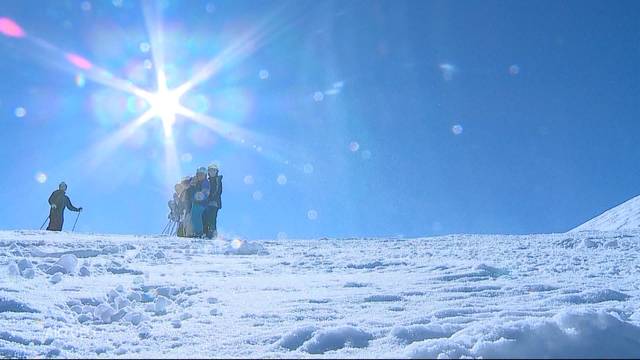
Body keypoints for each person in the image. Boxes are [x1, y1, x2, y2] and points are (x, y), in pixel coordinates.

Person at [203, 164, 223, 239]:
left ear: (216, 172)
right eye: (210, 170)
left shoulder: (217, 180)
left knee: (212, 218)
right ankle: (206, 233)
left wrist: (211, 198)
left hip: (214, 203)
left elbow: (218, 191)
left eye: (214, 170)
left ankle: (213, 234)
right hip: (207, 203)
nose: (212, 172)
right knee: (205, 217)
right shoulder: (208, 180)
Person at [189, 168, 210, 237]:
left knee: (196, 216)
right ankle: (196, 232)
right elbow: (191, 191)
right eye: (199, 174)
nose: (200, 176)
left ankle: (199, 232)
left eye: (202, 174)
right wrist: (192, 184)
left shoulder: (205, 182)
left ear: (205, 175)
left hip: (202, 203)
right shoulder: (196, 182)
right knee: (193, 217)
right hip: (196, 203)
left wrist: (199, 196)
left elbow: (205, 192)